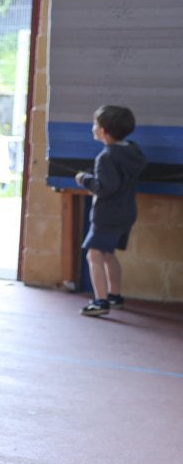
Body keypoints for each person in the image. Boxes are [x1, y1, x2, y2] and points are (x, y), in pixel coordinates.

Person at [73, 104, 146, 316]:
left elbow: (104, 188)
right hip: (126, 213)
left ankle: (100, 301)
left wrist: (84, 179)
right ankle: (114, 296)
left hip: (107, 216)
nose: (93, 127)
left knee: (93, 255)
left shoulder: (106, 157)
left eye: (95, 124)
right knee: (108, 253)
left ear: (104, 131)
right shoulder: (133, 151)